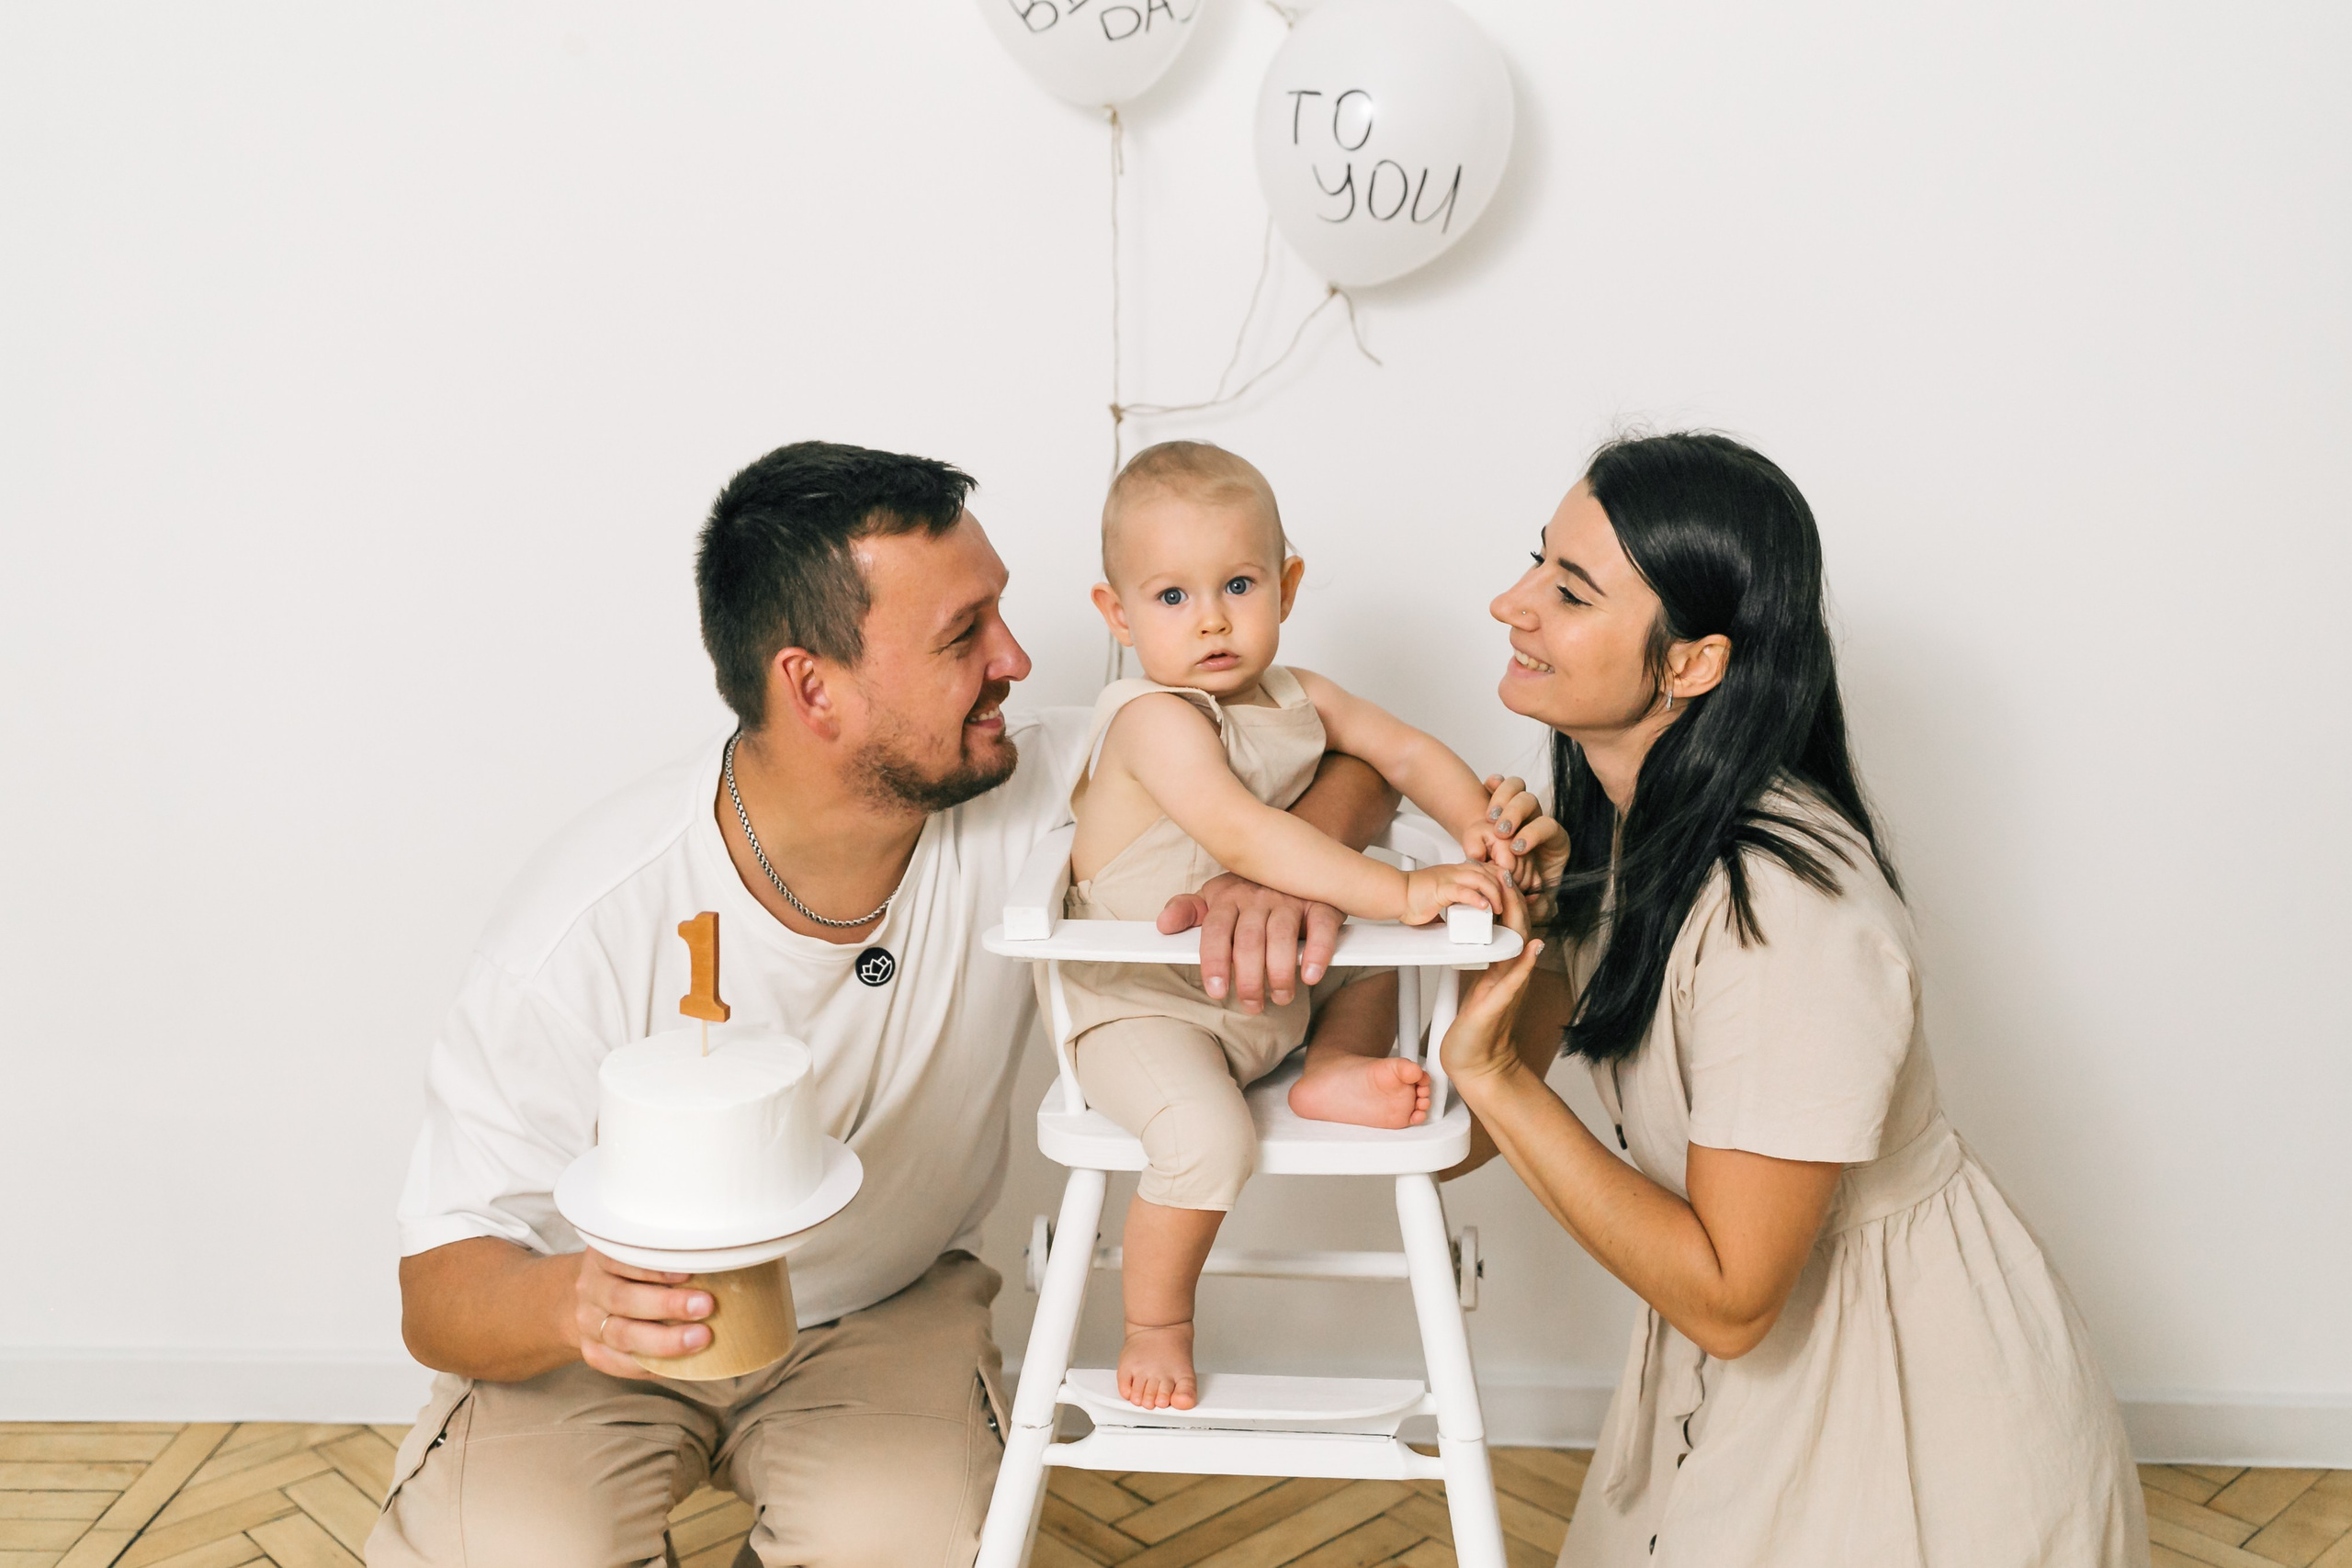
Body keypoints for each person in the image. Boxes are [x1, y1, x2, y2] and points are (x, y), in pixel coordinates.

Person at [368, 441, 1535, 1568]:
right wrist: (587, 1305)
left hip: (880, 1319)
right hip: (602, 1345)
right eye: (962, 634)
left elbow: (1334, 753)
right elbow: (441, 1292)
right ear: (811, 687)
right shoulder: (586, 926)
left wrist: (1274, 869)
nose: (1020, 660)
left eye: (1003, 614)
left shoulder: (1039, 788)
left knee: (907, 1548)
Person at [1439, 433, 2148, 1566]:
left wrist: (1493, 1075)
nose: (1508, 603)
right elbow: (1454, 1146)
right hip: (1750, 1379)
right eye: (1536, 562)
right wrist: (1516, 943)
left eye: (1568, 591)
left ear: (1691, 665)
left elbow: (1730, 1297)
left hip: (1901, 1411)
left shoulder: (1784, 916)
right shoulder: (1634, 839)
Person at [1057, 441, 1534, 1411]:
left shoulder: (1299, 696)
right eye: (1172, 597)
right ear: (1116, 614)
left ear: (1288, 584)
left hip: (1272, 991)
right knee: (1204, 1135)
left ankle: (1326, 1070)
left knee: (1366, 978)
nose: (1214, 620)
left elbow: (1400, 750)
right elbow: (1245, 834)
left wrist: (1472, 823)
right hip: (1145, 1012)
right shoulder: (1152, 718)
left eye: (1238, 584)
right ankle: (1156, 1322)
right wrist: (1401, 894)